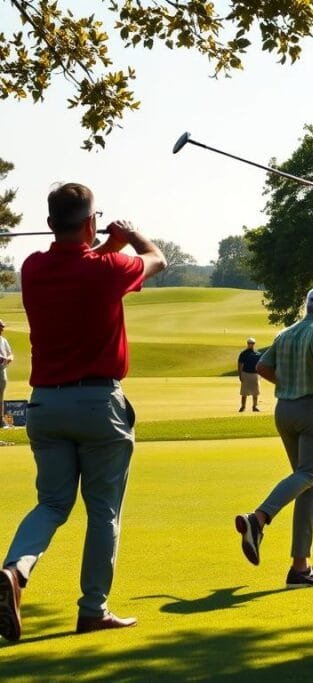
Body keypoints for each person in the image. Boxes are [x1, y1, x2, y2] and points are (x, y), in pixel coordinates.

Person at [0, 182, 166, 643]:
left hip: (46, 404)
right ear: (91, 222)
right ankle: (93, 609)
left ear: (51, 224)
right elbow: (157, 260)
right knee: (103, 512)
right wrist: (131, 234)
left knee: (52, 503)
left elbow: (82, 260)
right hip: (98, 404)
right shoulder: (108, 268)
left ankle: (16, 569)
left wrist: (104, 242)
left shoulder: (32, 268)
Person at [234, 286, 313, 589]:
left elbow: (262, 366)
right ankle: (258, 518)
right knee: (310, 474)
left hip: (285, 410)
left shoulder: (286, 333)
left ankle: (301, 569)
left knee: (307, 485)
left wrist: (287, 385)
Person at [237, 336, 262, 412]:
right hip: (246, 373)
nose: (251, 344)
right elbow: (240, 365)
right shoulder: (243, 354)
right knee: (244, 392)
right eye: (249, 343)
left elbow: (260, 365)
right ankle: (243, 407)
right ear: (247, 344)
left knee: (255, 392)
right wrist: (240, 375)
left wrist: (260, 374)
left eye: (252, 343)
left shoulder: (258, 354)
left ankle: (255, 406)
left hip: (255, 374)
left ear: (254, 344)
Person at [0, 320, 12, 426]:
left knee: (1, 396)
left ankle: (1, 420)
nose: (2, 329)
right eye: (1, 327)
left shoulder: (3, 340)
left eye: (2, 327)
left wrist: (7, 359)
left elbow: (10, 354)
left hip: (2, 371)